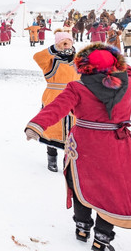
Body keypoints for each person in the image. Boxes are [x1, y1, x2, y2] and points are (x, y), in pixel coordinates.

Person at [25, 43, 131, 250]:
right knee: (111, 192)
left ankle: (82, 227)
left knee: (80, 183)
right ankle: (102, 239)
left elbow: (57, 107)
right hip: (116, 146)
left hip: (83, 145)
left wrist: (36, 125)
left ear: (84, 67)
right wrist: (115, 55)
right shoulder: (129, 85)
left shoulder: (77, 87)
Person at [32, 30, 80, 172]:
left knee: (73, 131)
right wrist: (55, 49)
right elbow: (37, 57)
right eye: (63, 42)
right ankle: (51, 159)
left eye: (68, 42)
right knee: (53, 129)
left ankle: (68, 160)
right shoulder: (51, 60)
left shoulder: (78, 60)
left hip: (75, 99)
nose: (66, 45)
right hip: (54, 97)